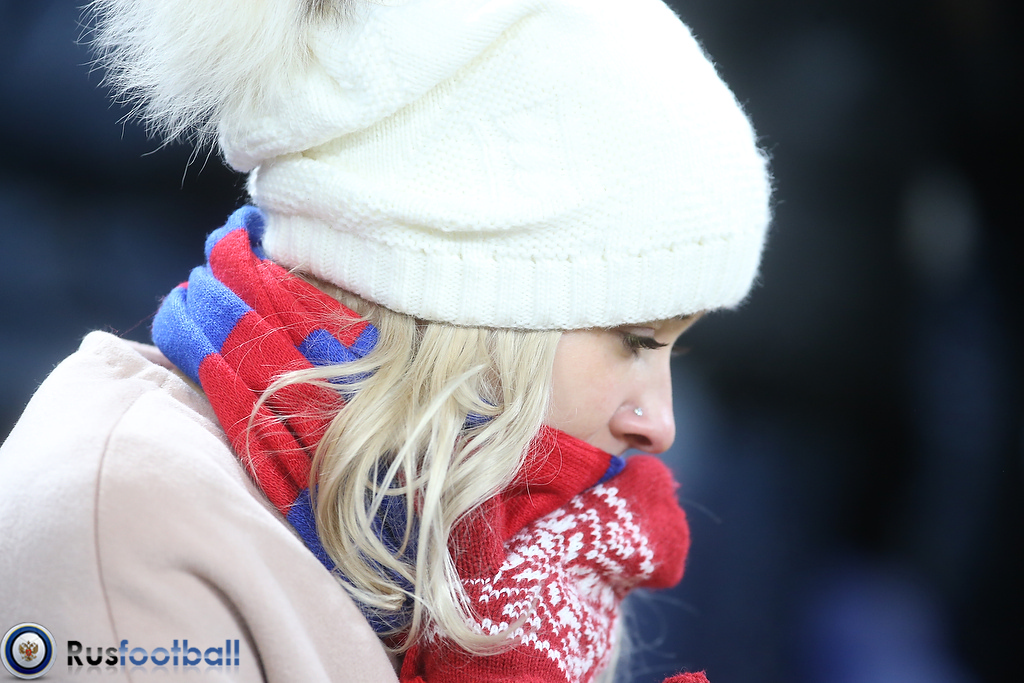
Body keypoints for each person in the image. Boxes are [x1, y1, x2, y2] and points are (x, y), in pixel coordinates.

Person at [0, 0, 770, 681]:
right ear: (470, 296)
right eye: (636, 338)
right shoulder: (127, 516)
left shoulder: (489, 553)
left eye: (675, 347)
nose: (658, 422)